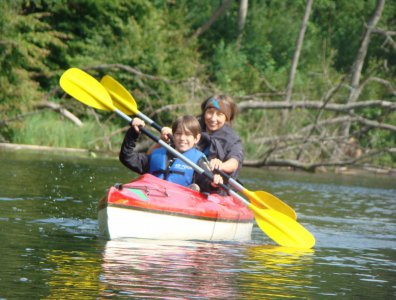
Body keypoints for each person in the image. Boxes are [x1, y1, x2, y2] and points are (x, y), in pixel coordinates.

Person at [119, 115, 223, 192]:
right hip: (152, 198)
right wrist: (133, 133)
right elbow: (126, 157)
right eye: (178, 134)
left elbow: (207, 182)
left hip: (181, 202)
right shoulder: (157, 155)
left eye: (187, 135)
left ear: (196, 138)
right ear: (173, 135)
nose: (182, 138)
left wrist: (213, 183)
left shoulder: (198, 161)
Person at [161, 95, 243, 178]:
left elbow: (234, 162)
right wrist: (167, 136)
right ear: (204, 112)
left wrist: (220, 165)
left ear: (226, 118)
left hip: (212, 182)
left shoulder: (232, 139)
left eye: (219, 114)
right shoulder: (192, 125)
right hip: (186, 176)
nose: (213, 118)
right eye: (210, 112)